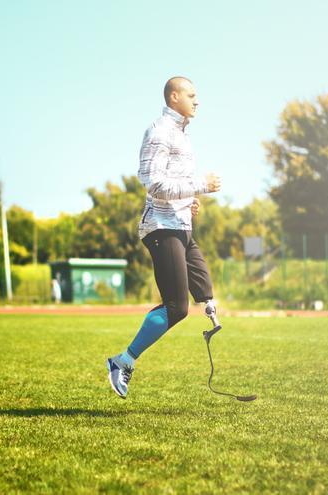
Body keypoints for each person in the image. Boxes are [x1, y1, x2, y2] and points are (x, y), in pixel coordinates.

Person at [106, 76, 222, 399]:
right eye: (191, 95)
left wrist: (189, 202)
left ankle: (126, 359)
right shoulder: (158, 132)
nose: (197, 101)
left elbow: (173, 188)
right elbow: (154, 185)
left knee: (201, 292)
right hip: (160, 226)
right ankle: (122, 362)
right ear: (174, 97)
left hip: (181, 226)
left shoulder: (183, 137)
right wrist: (201, 185)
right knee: (176, 306)